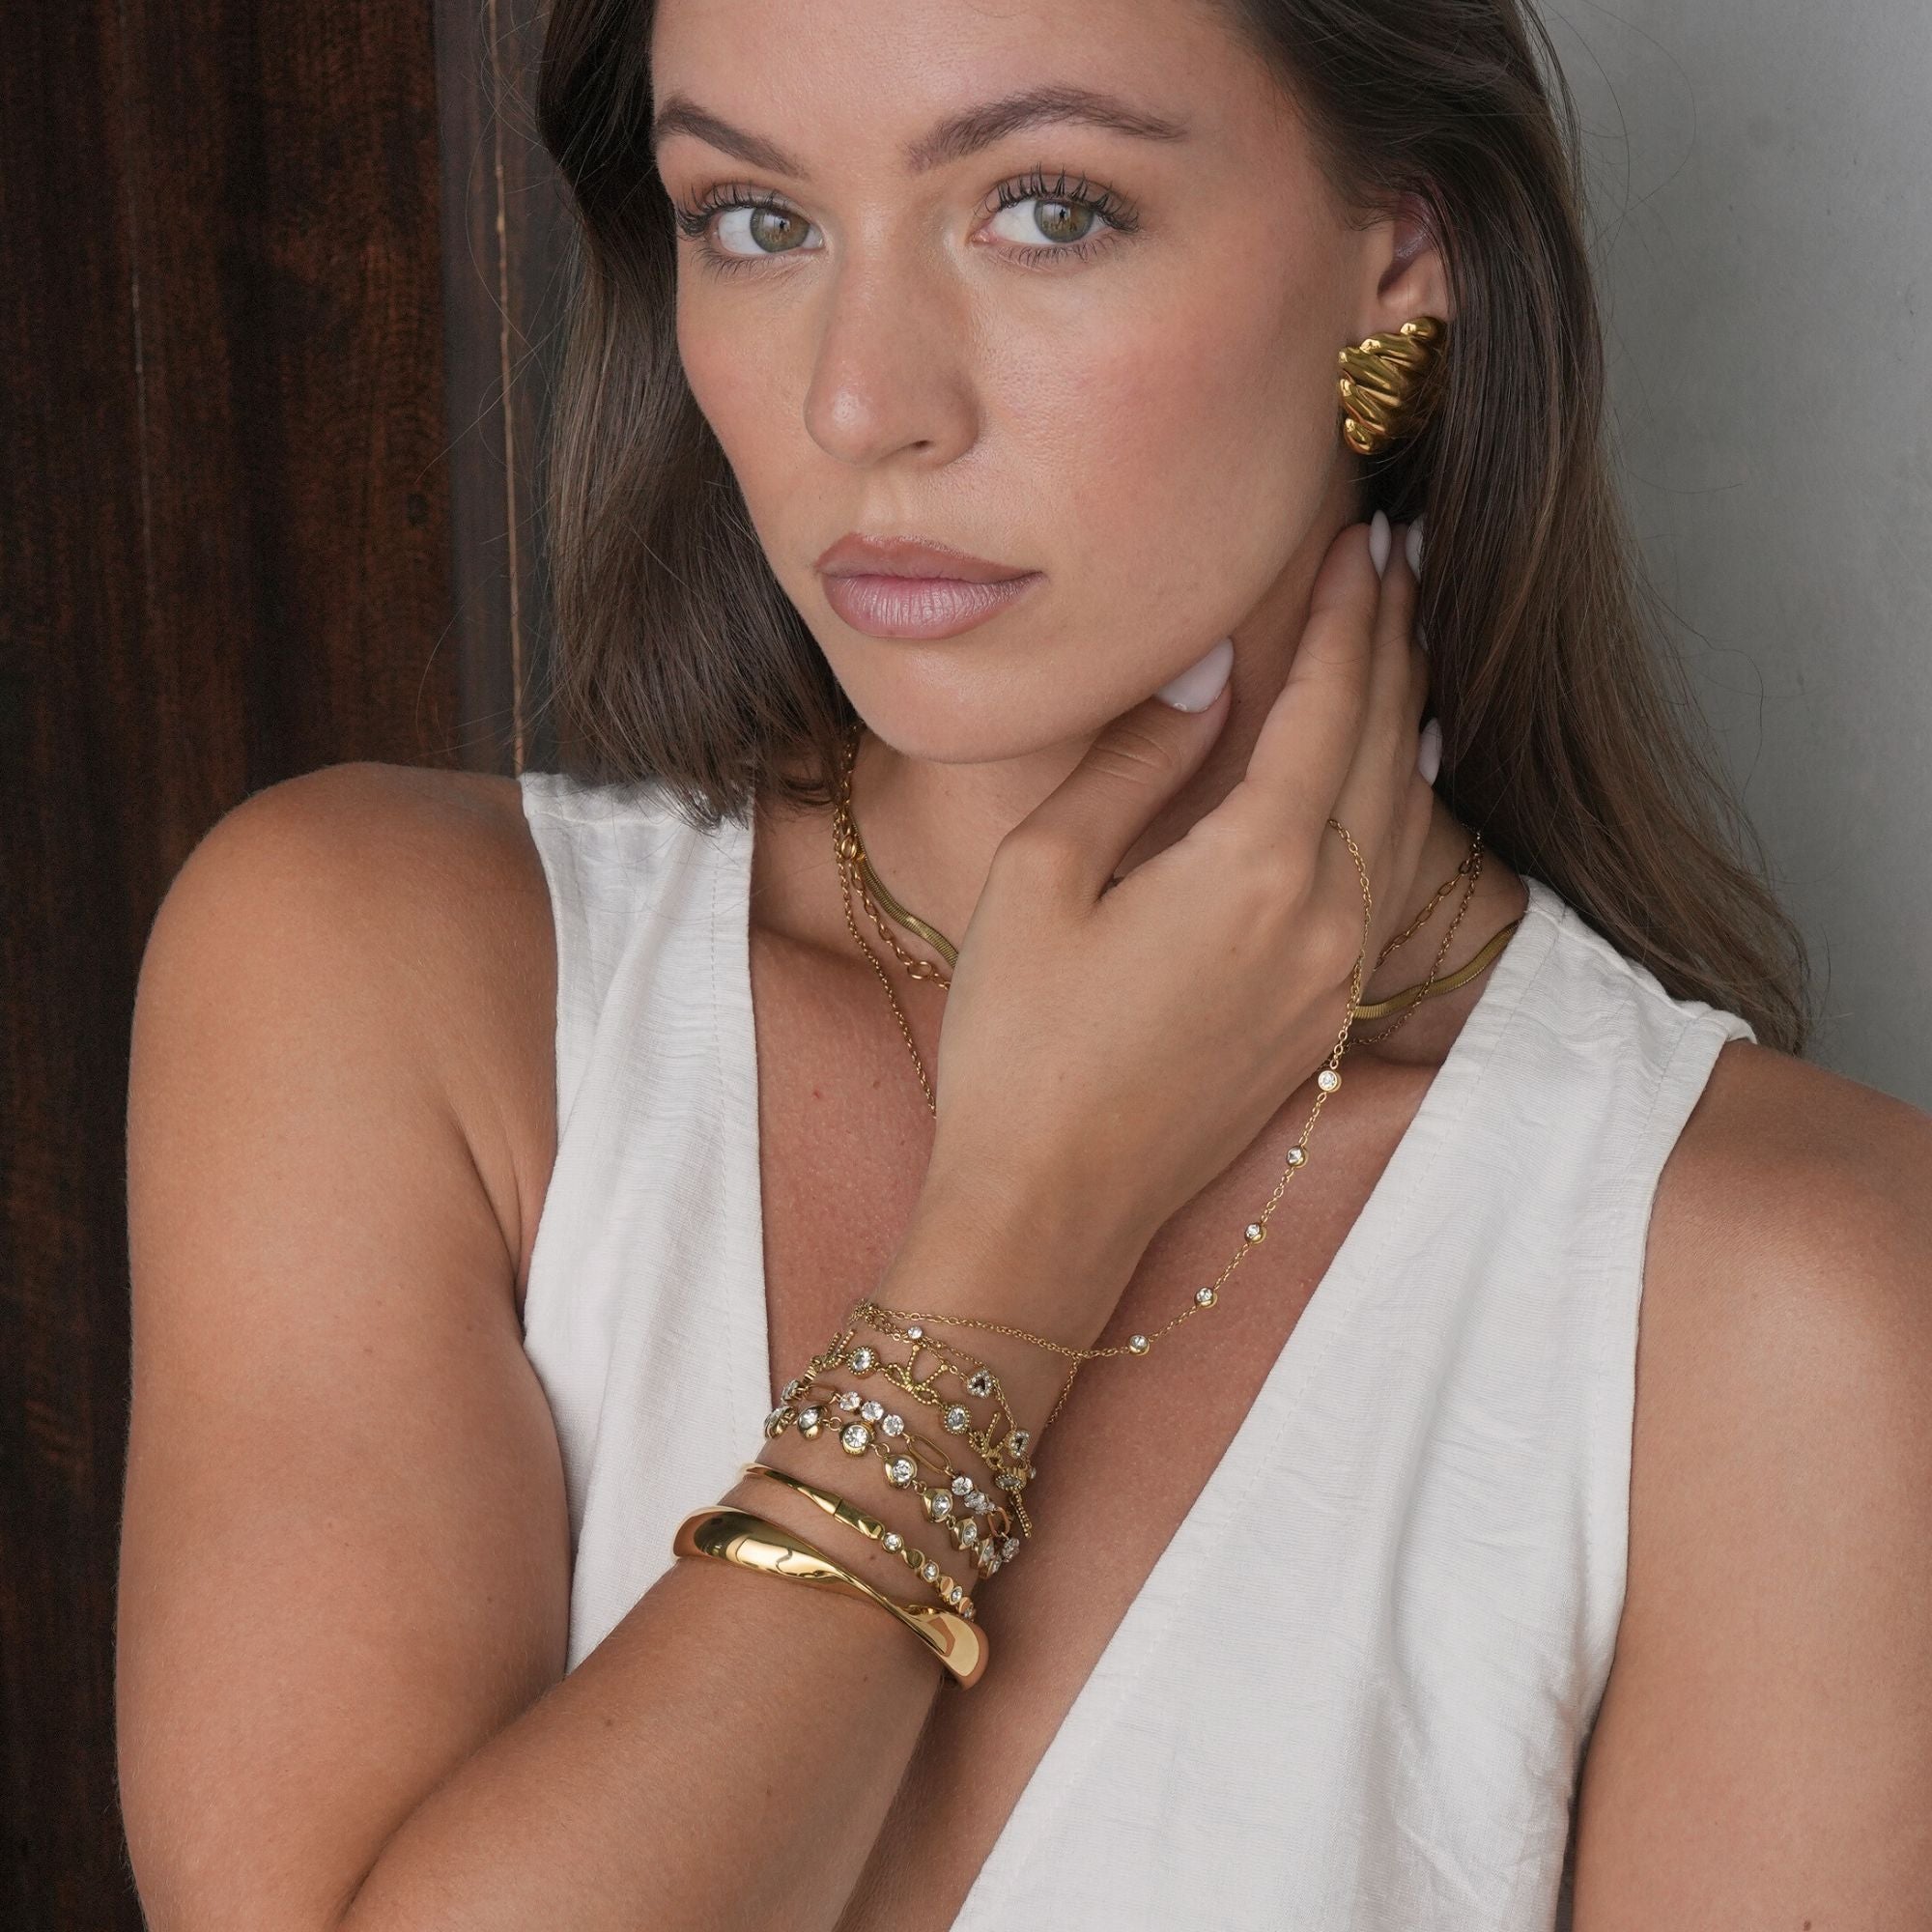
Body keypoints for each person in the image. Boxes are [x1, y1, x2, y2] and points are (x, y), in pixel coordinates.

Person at [117, 0, 1932, 1926]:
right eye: (755, 219)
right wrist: (1019, 1238)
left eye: (1048, 209)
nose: (860, 403)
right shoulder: (389, 983)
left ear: (1401, 252)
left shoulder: (1786, 1294)